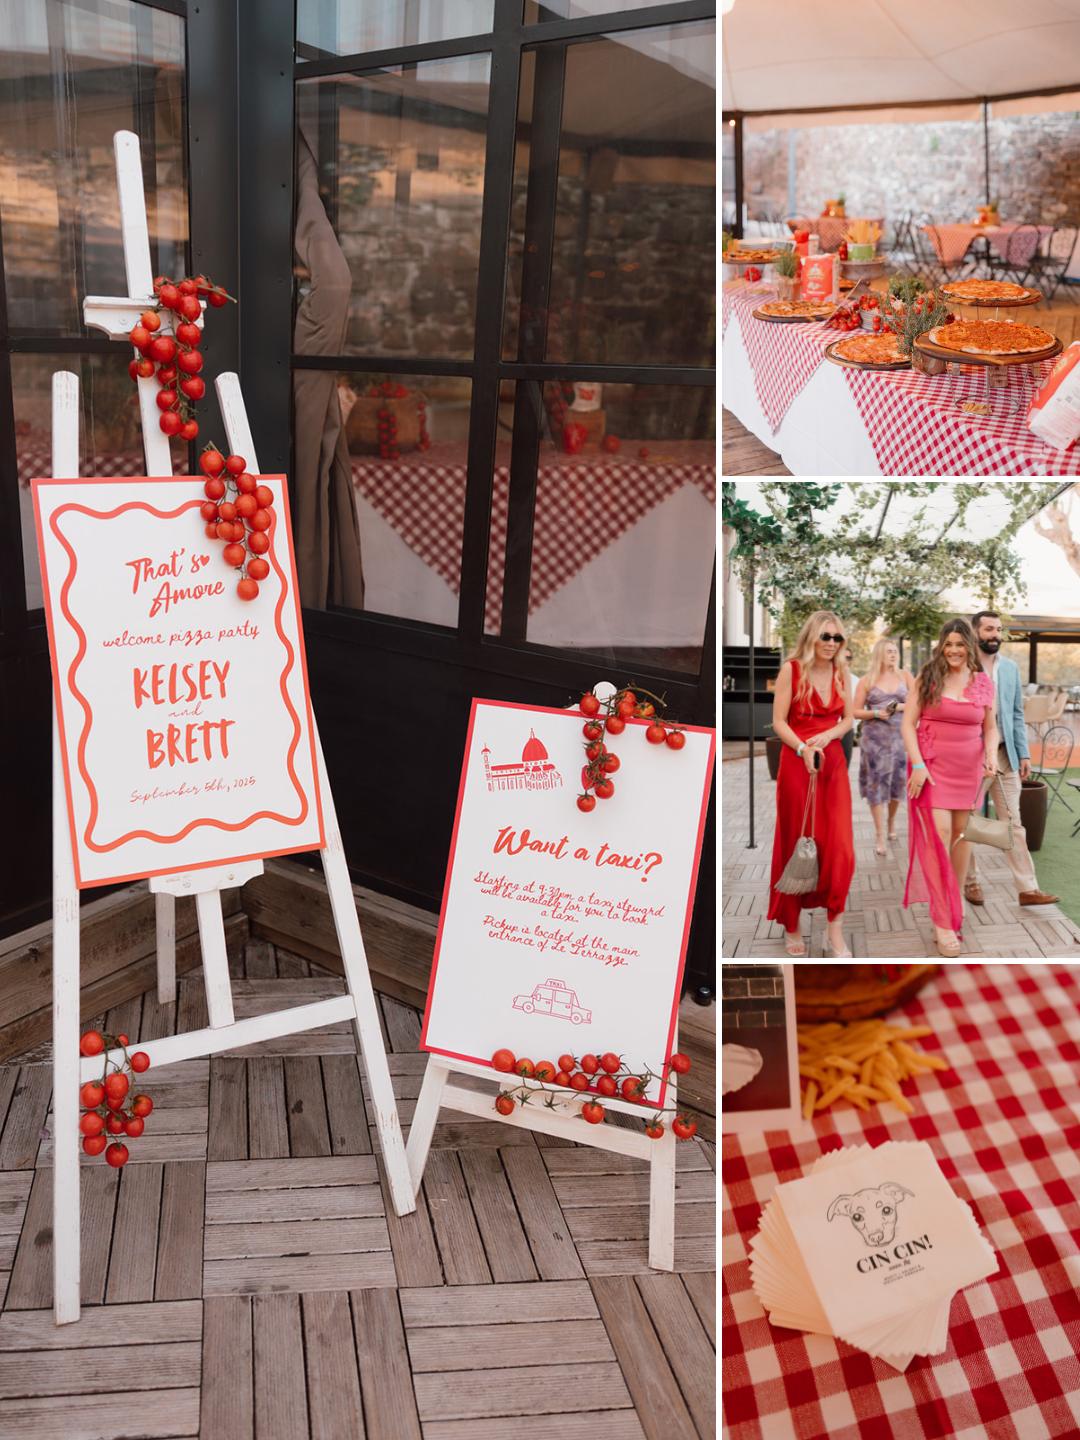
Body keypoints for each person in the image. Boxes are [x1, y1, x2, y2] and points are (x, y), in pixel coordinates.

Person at [901, 619, 998, 958]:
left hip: (968, 771)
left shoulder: (982, 682)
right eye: (949, 643)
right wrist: (917, 764)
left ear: (969, 646)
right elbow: (907, 725)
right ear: (941, 646)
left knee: (961, 837)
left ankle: (953, 900)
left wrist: (990, 754)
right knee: (939, 835)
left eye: (960, 644)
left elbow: (990, 728)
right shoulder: (927, 677)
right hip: (931, 769)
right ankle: (942, 920)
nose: (954, 650)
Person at [769, 611, 855, 957]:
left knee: (839, 848)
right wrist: (804, 747)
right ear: (811, 638)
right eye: (826, 637)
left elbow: (848, 718)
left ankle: (834, 932)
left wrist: (828, 735)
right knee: (795, 839)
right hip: (796, 762)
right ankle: (792, 925)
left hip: (832, 764)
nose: (832, 644)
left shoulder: (842, 673)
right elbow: (778, 722)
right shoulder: (791, 670)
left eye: (837, 638)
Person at [964, 611, 1058, 908]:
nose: (995, 635)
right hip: (971, 757)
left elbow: (1016, 713)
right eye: (989, 629)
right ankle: (971, 882)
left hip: (1005, 756)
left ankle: (1027, 889)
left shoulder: (1010, 668)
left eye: (999, 629)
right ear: (975, 632)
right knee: (967, 822)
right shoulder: (962, 666)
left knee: (1014, 824)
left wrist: (1024, 753)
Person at [853, 638, 913, 856]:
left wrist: (898, 707)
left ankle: (891, 822)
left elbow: (919, 702)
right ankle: (880, 834)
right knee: (876, 786)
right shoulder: (866, 680)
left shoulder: (905, 676)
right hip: (874, 742)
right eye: (889, 651)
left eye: (895, 651)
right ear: (879, 653)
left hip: (899, 739)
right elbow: (855, 711)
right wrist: (877, 713)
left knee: (897, 786)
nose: (893, 655)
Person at [841, 648, 858, 770]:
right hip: (825, 729)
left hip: (846, 730)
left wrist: (852, 724)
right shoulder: (825, 676)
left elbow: (859, 706)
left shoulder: (856, 681)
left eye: (849, 658)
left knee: (843, 768)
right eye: (843, 657)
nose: (846, 660)